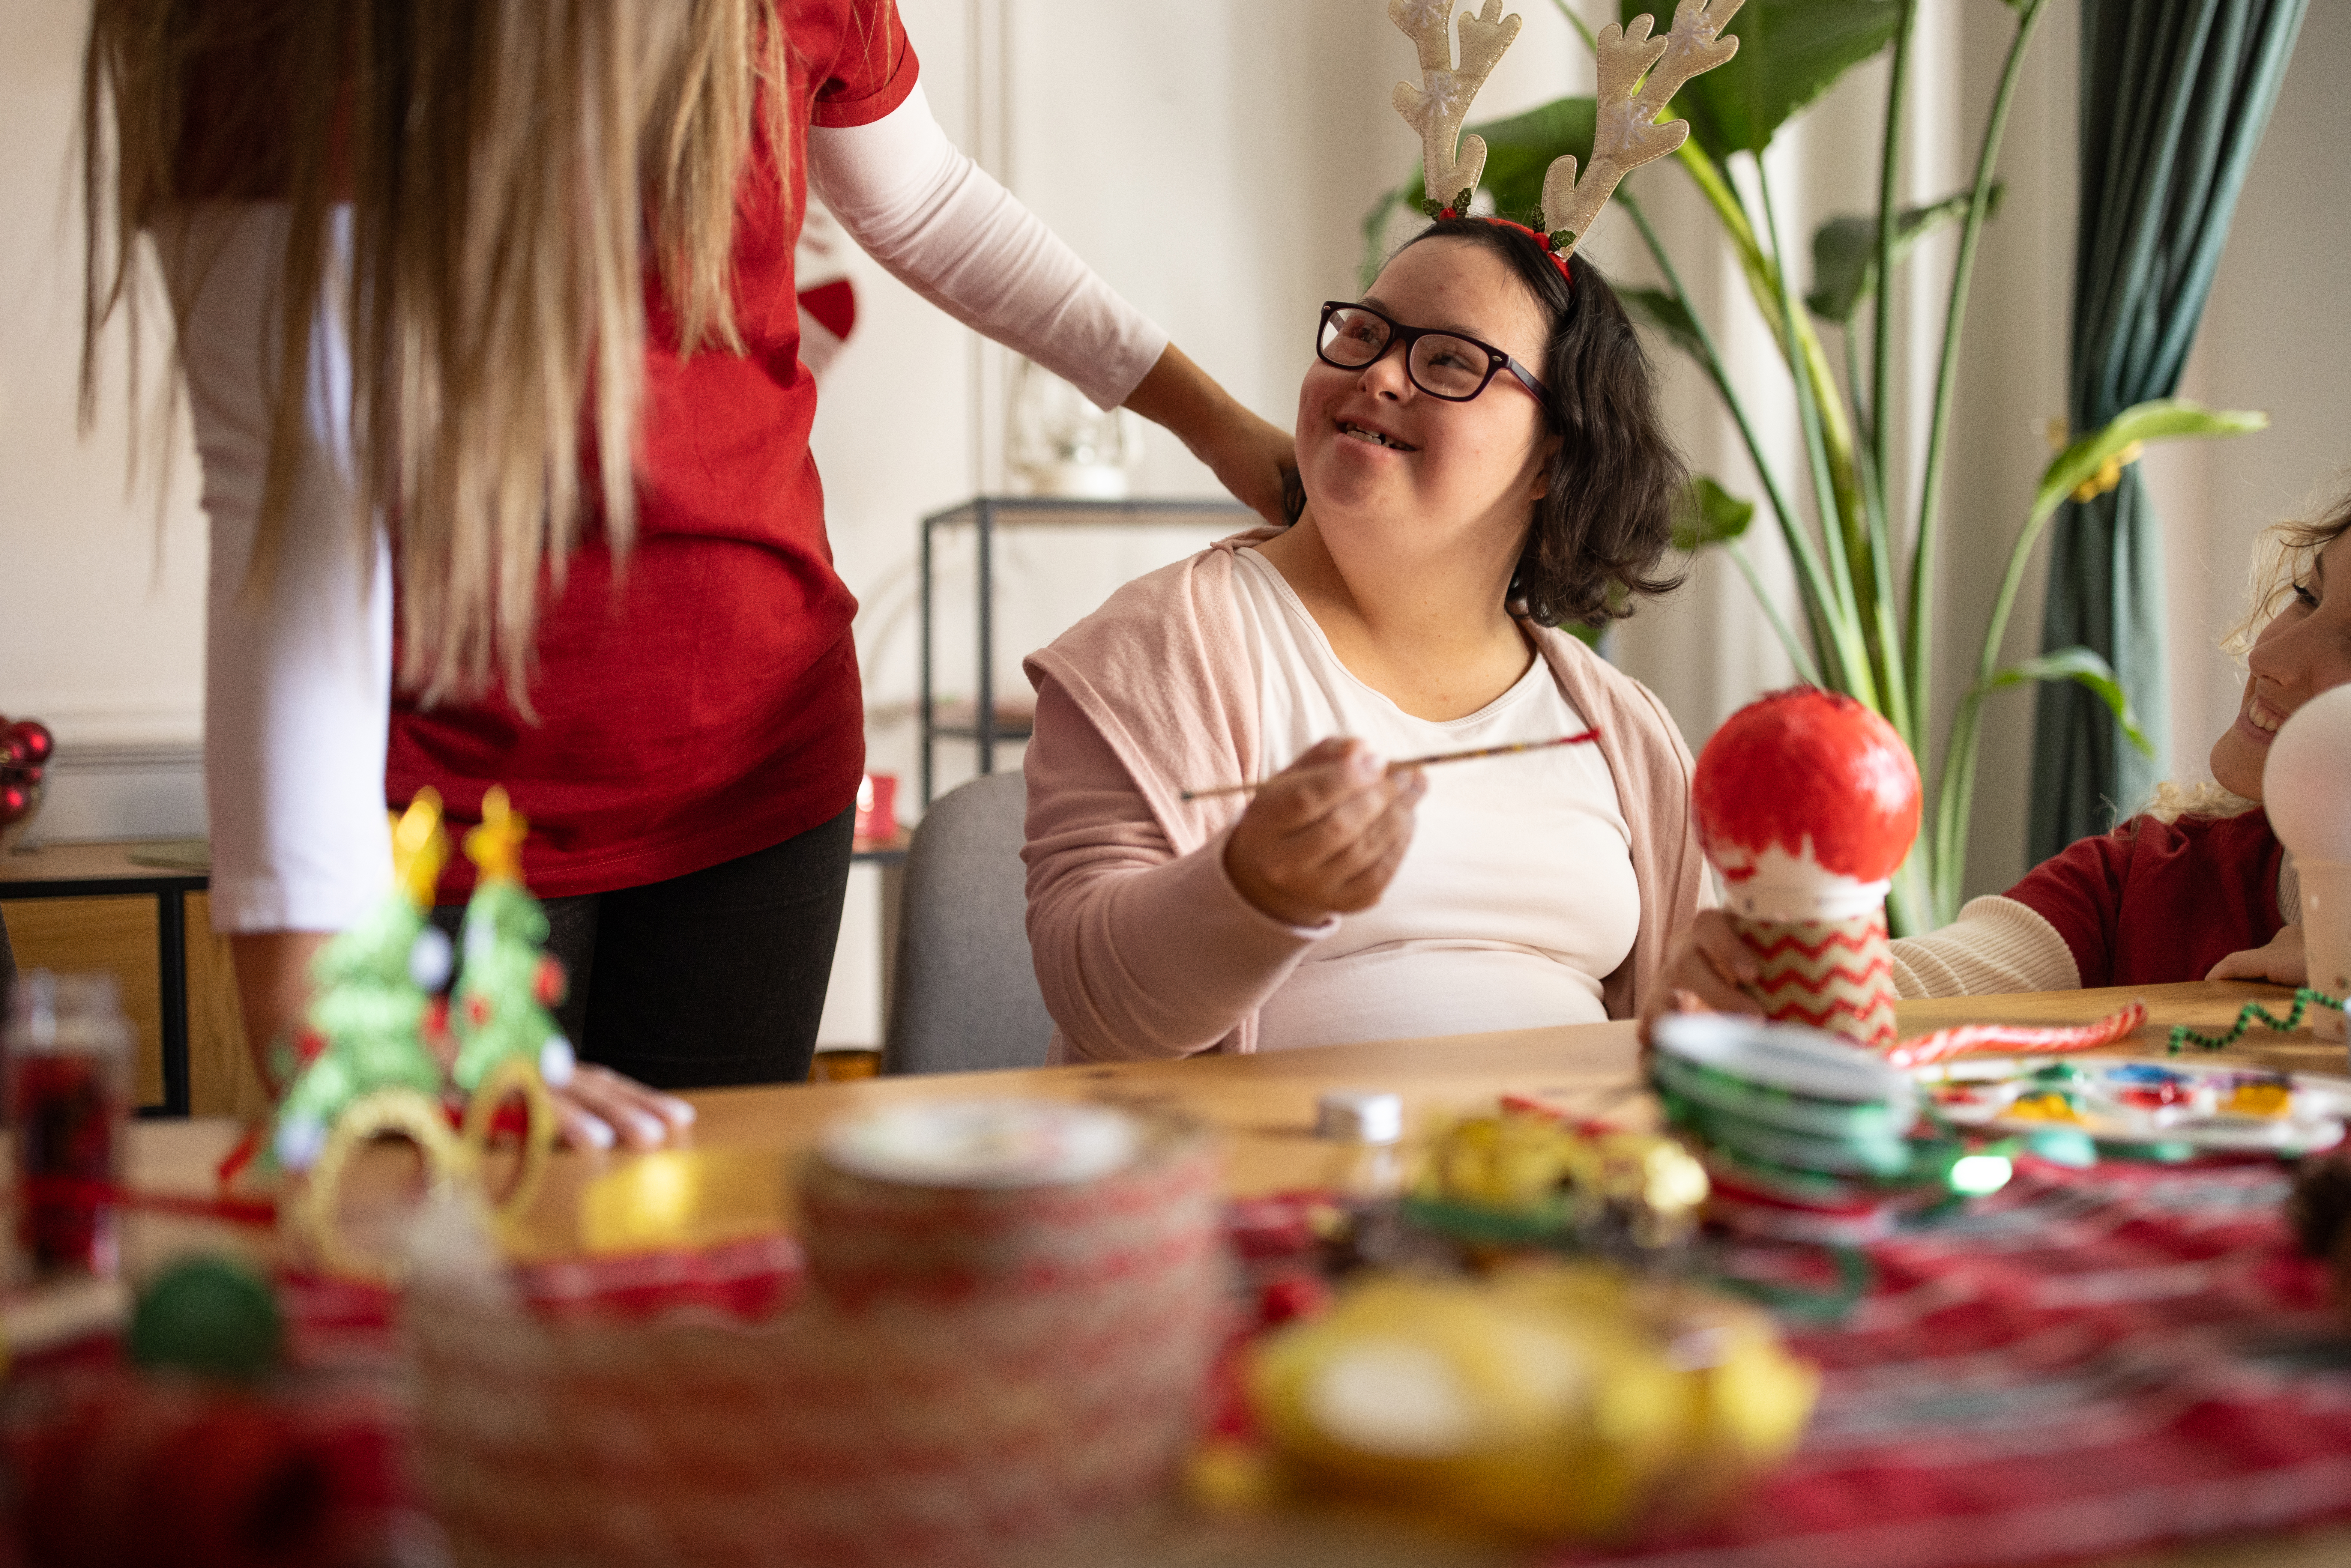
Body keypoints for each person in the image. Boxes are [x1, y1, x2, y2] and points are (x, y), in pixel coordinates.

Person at [80, 1, 1292, 1146]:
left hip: (760, 776)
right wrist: (318, 1025)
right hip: (441, 792)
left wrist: (1213, 420)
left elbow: (924, 203)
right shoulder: (279, 37)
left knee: (691, 1268)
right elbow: (289, 506)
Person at [1021, 215, 1711, 1063]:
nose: (1380, 372)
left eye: (1451, 359)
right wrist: (1253, 892)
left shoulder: (1620, 725)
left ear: (1552, 462)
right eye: (1362, 333)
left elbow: (1698, 1024)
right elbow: (1100, 1006)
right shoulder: (1161, 644)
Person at [1641, 491, 2351, 1030]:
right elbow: (1929, 981)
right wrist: (1762, 980)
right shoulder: (2143, 881)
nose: (2267, 657)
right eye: (2303, 596)